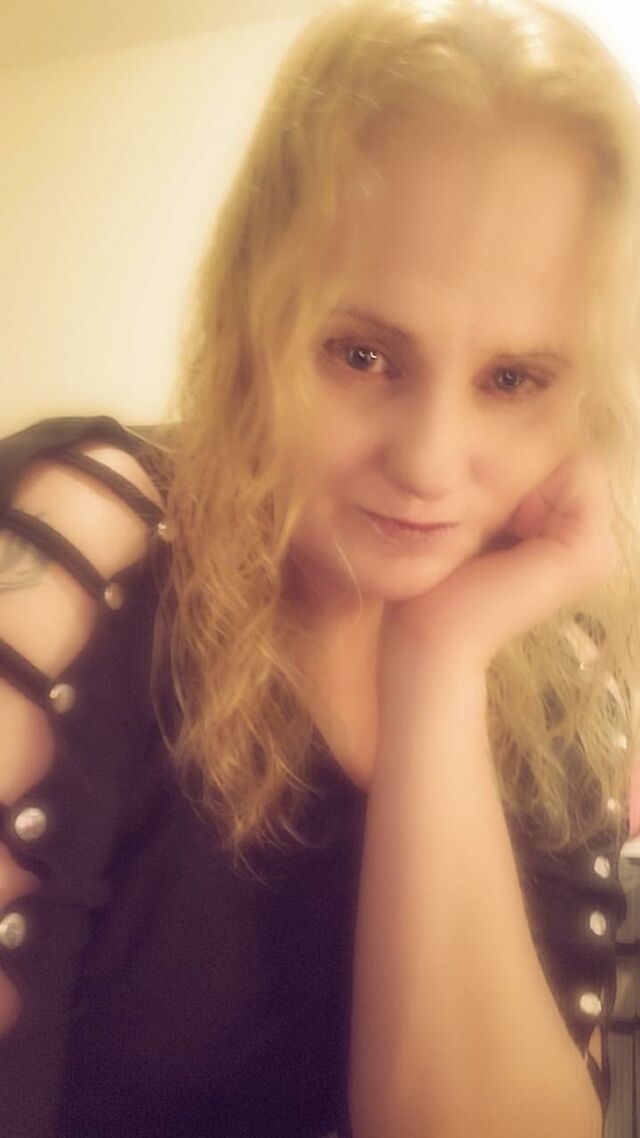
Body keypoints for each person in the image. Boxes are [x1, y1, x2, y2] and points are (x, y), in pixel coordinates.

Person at [0, 0, 637, 1134]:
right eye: (362, 354)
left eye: (513, 380)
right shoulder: (88, 556)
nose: (429, 463)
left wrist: (438, 663)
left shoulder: (560, 683)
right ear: (258, 316)